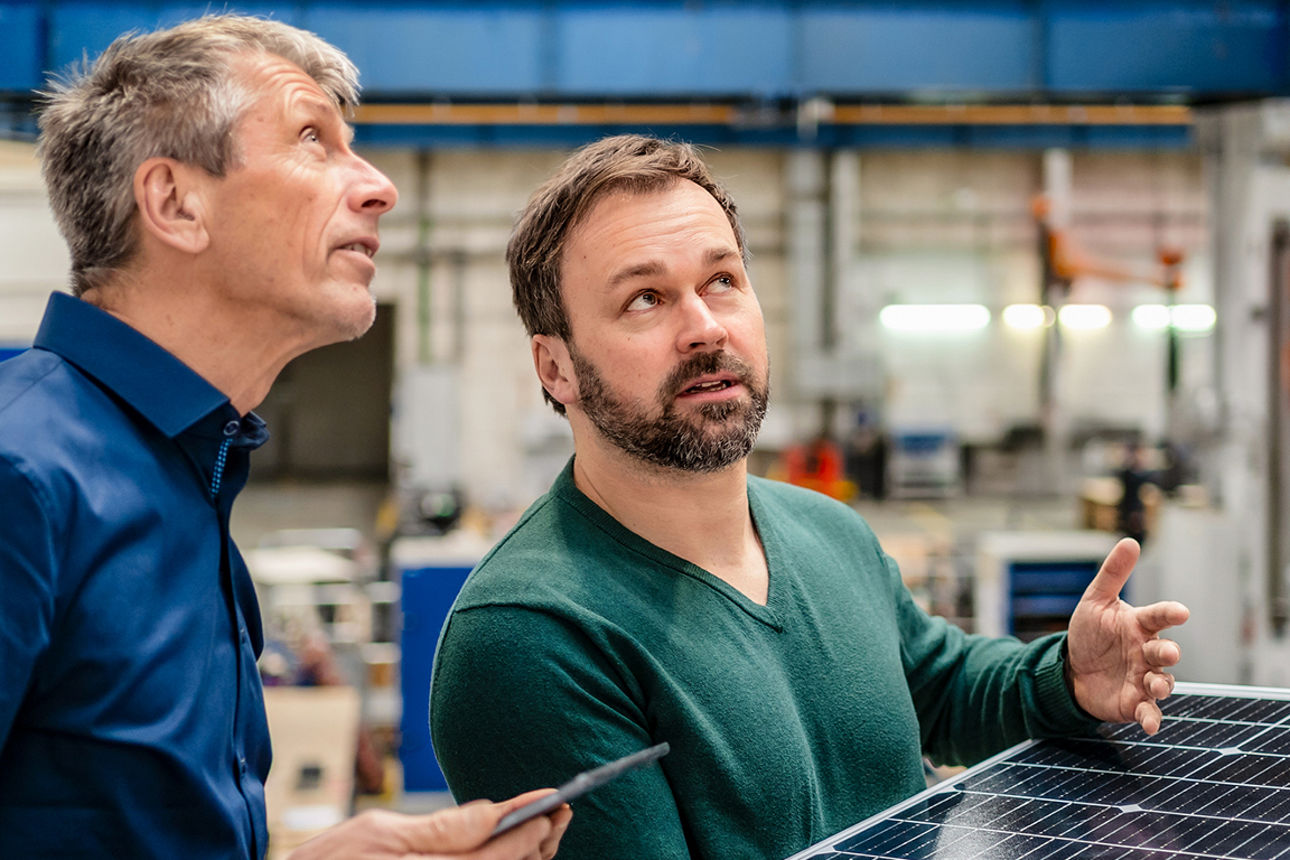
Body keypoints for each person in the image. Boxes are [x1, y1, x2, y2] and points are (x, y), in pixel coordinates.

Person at [429, 135, 1190, 860]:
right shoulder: (529, 639)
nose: (704, 328)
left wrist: (1068, 678)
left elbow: (940, 687)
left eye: (722, 281)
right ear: (555, 367)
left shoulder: (827, 531)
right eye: (645, 299)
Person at [0, 15, 569, 859]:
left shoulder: (186, 478)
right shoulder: (23, 472)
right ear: (176, 203)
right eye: (313, 140)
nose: (379, 187)